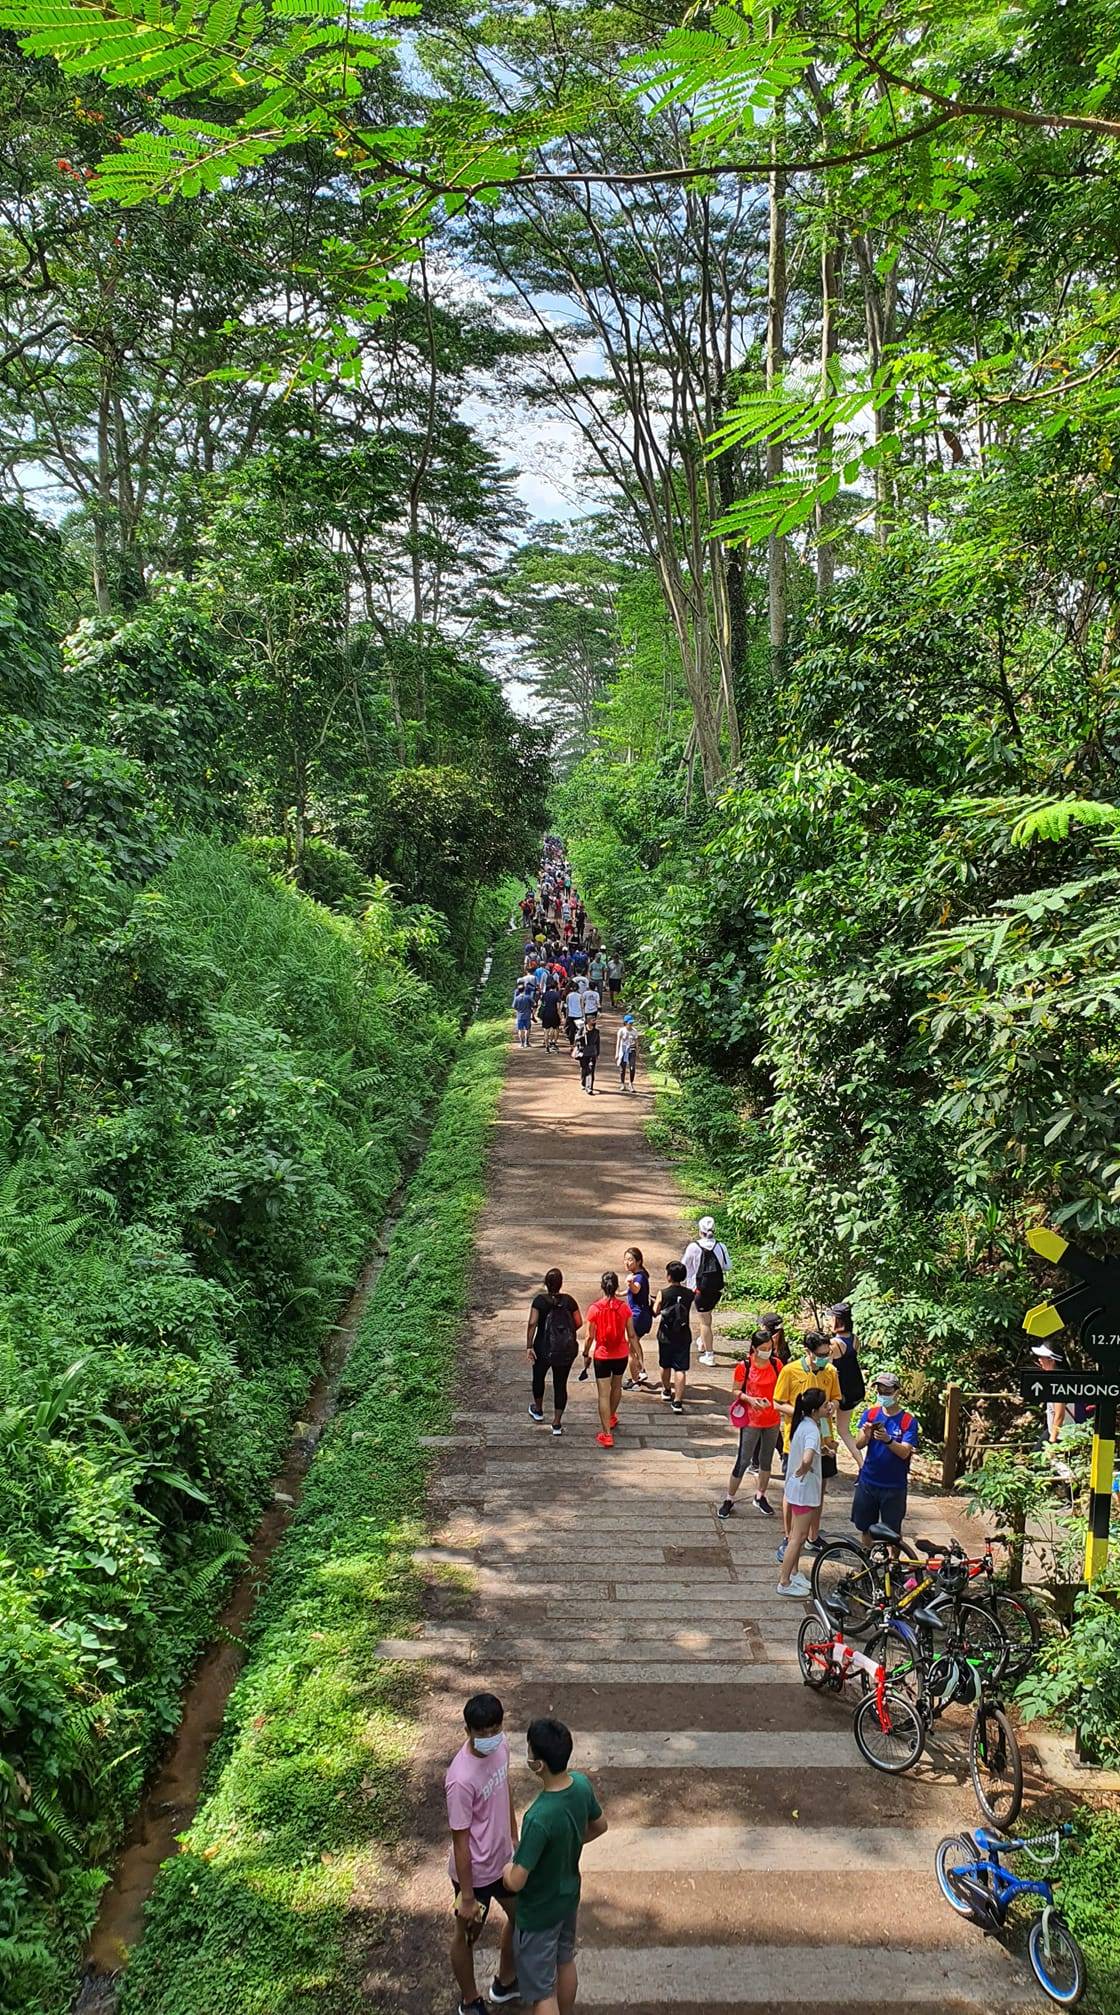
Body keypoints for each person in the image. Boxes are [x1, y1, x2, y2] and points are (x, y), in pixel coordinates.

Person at [502, 1717, 607, 2015]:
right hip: (568, 1898)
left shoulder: (538, 1817)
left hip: (538, 1913)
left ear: (539, 1764)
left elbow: (518, 1880)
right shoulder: (582, 1786)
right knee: (565, 1960)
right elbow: (600, 1825)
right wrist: (569, 1844)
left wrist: (504, 1872)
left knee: (542, 1992)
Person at [446, 1691, 520, 2014]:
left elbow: (506, 1790)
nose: (490, 1737)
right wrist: (466, 1896)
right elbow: (460, 1842)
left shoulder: (501, 1747)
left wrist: (514, 1837)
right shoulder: (460, 1780)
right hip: (474, 1875)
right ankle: (470, 2000)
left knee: (523, 1918)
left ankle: (505, 1982)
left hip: (503, 1861)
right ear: (468, 1732)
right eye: (482, 1732)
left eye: (494, 1729)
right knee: (466, 1938)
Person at [772, 1333, 839, 1564]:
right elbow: (777, 1402)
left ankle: (813, 1535)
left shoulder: (830, 1372)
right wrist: (803, 1413)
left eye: (827, 1354)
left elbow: (838, 1398)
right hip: (797, 1441)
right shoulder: (790, 1371)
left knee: (818, 1490)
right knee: (792, 1491)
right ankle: (788, 1536)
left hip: (824, 1439)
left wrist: (831, 1406)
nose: (824, 1359)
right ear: (807, 1351)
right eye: (820, 1355)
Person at [719, 1327, 781, 1518]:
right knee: (743, 1459)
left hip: (772, 1418)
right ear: (754, 1348)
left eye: (770, 1346)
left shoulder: (776, 1364)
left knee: (766, 1460)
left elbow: (781, 1388)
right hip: (752, 1420)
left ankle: (760, 1495)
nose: (767, 1350)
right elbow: (736, 1390)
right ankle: (729, 1498)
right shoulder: (744, 1366)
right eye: (763, 1347)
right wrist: (750, 1399)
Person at [852, 1370, 919, 1542]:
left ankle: (893, 1566)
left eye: (887, 1391)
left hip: (894, 1486)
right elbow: (858, 1444)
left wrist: (888, 1440)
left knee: (892, 1534)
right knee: (866, 1529)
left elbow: (905, 1452)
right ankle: (866, 1563)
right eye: (880, 1391)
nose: (883, 1395)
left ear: (897, 1392)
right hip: (868, 1481)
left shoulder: (907, 1421)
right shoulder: (871, 1414)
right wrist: (866, 1434)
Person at [776, 1387, 828, 1597]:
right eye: (825, 1405)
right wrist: (805, 1467)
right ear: (815, 1409)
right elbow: (806, 1457)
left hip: (798, 1489)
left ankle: (795, 1573)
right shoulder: (813, 1430)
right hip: (804, 1490)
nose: (828, 1408)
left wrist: (818, 1455)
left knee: (799, 1534)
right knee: (797, 1537)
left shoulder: (803, 1424)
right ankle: (784, 1581)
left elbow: (809, 1453)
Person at [582, 1270, 636, 1447]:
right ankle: (611, 1416)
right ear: (616, 1287)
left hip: (602, 1355)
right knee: (617, 1386)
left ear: (602, 1287)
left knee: (603, 1394)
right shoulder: (624, 1308)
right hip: (621, 1354)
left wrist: (586, 1353)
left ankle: (606, 1433)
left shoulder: (594, 1309)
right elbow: (631, 1334)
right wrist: (637, 1355)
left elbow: (589, 1336)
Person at [527, 1270, 583, 1435]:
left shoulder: (539, 1301)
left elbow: (532, 1323)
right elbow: (579, 1322)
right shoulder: (569, 1301)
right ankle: (557, 1423)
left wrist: (529, 1345)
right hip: (564, 1350)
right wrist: (564, 1334)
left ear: (545, 1283)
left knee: (538, 1377)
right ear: (561, 1284)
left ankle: (538, 1409)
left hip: (542, 1347)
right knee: (560, 1384)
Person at [682, 1215, 731, 1366]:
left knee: (705, 1322)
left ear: (700, 1230)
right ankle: (703, 1341)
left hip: (699, 1290)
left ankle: (709, 1355)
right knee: (707, 1316)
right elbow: (728, 1266)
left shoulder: (693, 1247)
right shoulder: (721, 1246)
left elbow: (683, 1266)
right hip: (716, 1289)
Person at [828, 1302, 866, 1469]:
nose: (828, 1320)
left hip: (839, 1391)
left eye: (831, 1317)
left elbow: (827, 1370)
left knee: (826, 1426)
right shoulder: (855, 1339)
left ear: (837, 1320)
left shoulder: (834, 1344)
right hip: (855, 1388)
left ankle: (827, 1463)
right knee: (844, 1430)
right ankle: (862, 1464)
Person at [653, 1258, 694, 1413]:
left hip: (665, 1334)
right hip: (683, 1334)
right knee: (680, 1369)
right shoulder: (689, 1294)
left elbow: (655, 1311)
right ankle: (678, 1402)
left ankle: (667, 1390)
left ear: (669, 1276)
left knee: (665, 1364)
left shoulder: (663, 1293)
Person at [622, 1245, 653, 1389]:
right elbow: (630, 1291)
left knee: (629, 1349)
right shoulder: (641, 1274)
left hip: (637, 1318)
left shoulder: (638, 1278)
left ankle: (635, 1380)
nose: (627, 1263)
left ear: (638, 1261)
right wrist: (618, 1293)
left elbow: (636, 1288)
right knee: (635, 1344)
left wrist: (629, 1282)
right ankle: (641, 1370)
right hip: (643, 1316)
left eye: (630, 1260)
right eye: (625, 1260)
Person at [576, 1015, 600, 1095]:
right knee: (584, 1068)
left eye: (595, 1020)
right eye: (593, 1020)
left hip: (592, 1053)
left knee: (590, 1070)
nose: (594, 1022)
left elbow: (598, 1043)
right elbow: (576, 1039)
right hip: (583, 1053)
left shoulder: (596, 1031)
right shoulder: (582, 1029)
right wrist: (582, 1036)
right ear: (588, 1021)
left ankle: (589, 1087)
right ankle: (583, 1082)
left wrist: (597, 1053)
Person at [539, 977, 563, 1054]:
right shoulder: (557, 995)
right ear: (555, 987)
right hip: (554, 1014)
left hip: (546, 1014)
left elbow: (542, 1004)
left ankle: (547, 1048)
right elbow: (558, 1007)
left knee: (546, 1031)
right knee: (555, 1029)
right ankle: (554, 1043)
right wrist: (560, 1017)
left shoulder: (545, 994)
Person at [615, 1016, 638, 1091]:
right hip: (623, 1050)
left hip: (632, 1050)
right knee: (622, 1068)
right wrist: (617, 1053)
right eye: (630, 1023)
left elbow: (636, 1042)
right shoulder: (621, 1031)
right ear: (625, 1023)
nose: (631, 1024)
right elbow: (618, 1042)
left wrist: (637, 1051)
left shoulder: (634, 1031)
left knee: (632, 1068)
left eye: (632, 1023)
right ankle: (622, 1083)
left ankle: (631, 1083)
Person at [513, 980, 535, 1049]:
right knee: (527, 1029)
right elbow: (534, 1004)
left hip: (519, 1016)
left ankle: (521, 1043)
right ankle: (527, 1042)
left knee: (520, 1030)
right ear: (524, 989)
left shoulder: (516, 998)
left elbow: (514, 1007)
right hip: (527, 1015)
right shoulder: (528, 997)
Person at [564, 981, 582, 1055]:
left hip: (571, 1015)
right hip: (578, 1015)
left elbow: (567, 1007)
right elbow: (582, 1006)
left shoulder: (569, 995)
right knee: (579, 1031)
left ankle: (572, 1045)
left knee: (571, 1030)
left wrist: (566, 1016)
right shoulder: (580, 996)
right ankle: (577, 1045)